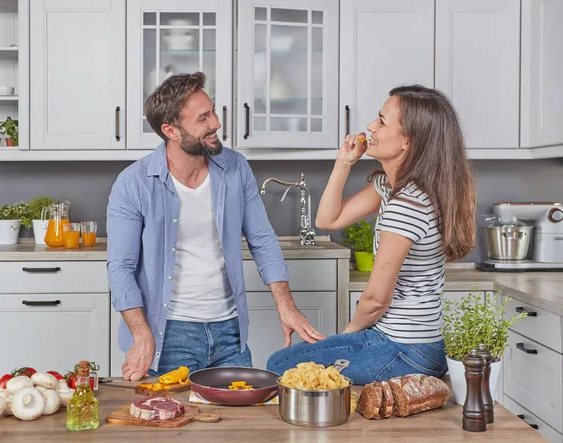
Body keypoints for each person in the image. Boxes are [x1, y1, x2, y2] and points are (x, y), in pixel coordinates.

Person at [107, 72, 325, 381]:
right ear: (171, 130)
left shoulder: (235, 168)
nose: (216, 124)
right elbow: (121, 267)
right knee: (172, 424)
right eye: (203, 118)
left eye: (213, 111)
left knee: (237, 427)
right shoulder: (134, 183)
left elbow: (262, 239)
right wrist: (141, 334)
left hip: (230, 333)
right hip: (169, 336)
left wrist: (285, 304)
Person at [267, 85, 476, 385]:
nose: (370, 126)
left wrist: (348, 335)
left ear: (407, 141)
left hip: (404, 348)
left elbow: (377, 298)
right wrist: (344, 162)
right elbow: (328, 219)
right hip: (415, 343)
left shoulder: (408, 205)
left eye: (381, 121)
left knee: (280, 364)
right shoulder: (392, 188)